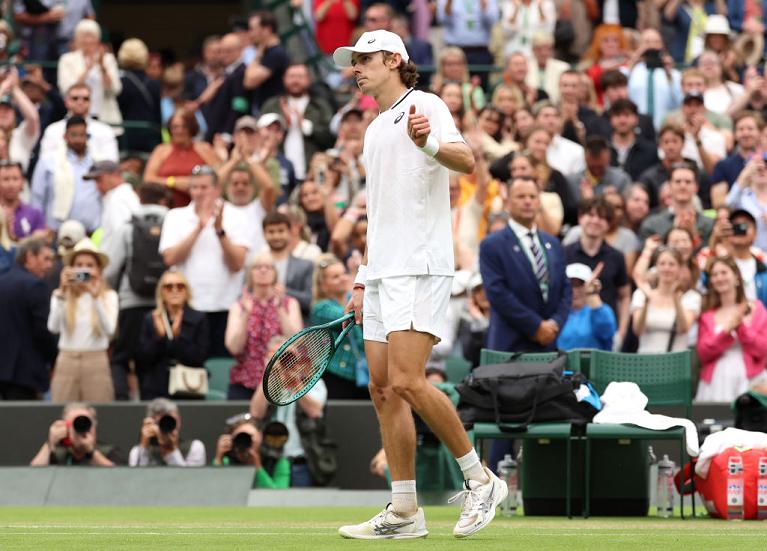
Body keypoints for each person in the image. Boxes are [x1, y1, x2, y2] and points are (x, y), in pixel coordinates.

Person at [332, 29, 505, 539]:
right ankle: (405, 510)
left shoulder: (424, 104)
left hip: (420, 266)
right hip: (383, 271)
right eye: (354, 62)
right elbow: (379, 213)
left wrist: (427, 139)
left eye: (364, 60)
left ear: (392, 59)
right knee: (383, 388)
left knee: (408, 380)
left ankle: (481, 480)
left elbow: (466, 160)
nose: (356, 69)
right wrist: (363, 278)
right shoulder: (372, 129)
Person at [159, 165, 250, 357]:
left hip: (225, 305)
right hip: (187, 306)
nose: (198, 192)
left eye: (204, 187)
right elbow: (170, 258)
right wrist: (199, 227)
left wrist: (219, 231)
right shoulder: (175, 216)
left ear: (217, 189)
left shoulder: (237, 216)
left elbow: (237, 264)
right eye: (194, 187)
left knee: (220, 368)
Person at [481, 176, 571, 352]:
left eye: (532, 196)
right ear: (507, 202)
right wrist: (536, 326)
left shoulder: (553, 243)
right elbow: (497, 293)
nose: (528, 202)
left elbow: (565, 290)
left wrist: (554, 324)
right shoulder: (492, 245)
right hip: (509, 347)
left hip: (548, 347)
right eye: (521, 197)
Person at [103, 184, 171, 400]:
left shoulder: (128, 226)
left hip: (131, 302)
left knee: (121, 358)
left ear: (140, 199)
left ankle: (123, 403)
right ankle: (154, 404)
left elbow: (111, 269)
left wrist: (115, 294)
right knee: (153, 357)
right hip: (164, 304)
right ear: (163, 201)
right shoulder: (173, 224)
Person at [250, 336, 330, 487]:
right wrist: (268, 376)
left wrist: (295, 382)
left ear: (298, 358)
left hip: (301, 462)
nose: (282, 361)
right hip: (271, 459)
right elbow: (256, 412)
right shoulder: (268, 387)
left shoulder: (314, 382)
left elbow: (315, 412)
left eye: (287, 356)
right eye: (276, 356)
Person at [48, 238, 118, 402]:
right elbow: (53, 328)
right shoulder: (60, 296)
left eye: (89, 265)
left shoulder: (108, 296)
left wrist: (95, 298)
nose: (84, 270)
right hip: (67, 359)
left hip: (96, 360)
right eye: (79, 265)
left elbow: (109, 331)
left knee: (99, 413)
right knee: (62, 411)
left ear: (99, 270)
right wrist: (62, 293)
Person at [225, 252, 302, 399]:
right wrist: (246, 314)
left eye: (268, 267)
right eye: (257, 267)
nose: (263, 270)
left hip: (282, 381)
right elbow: (234, 348)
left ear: (275, 273)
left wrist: (280, 309)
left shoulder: (289, 304)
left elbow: (297, 342)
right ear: (250, 273)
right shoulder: (239, 307)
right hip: (245, 381)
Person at [696, 256, 767, 402]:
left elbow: (762, 349)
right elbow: (703, 353)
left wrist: (740, 327)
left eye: (724, 272)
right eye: (715, 275)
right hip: (717, 380)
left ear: (736, 277)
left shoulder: (756, 308)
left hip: (751, 378)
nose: (719, 278)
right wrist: (725, 331)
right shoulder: (707, 315)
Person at [564, 197, 631, 346]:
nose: (595, 221)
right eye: (590, 215)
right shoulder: (565, 253)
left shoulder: (616, 256)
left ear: (608, 224)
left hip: (605, 331)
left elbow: (625, 296)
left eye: (601, 217)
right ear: (580, 218)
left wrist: (621, 331)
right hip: (569, 333)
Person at [136, 270, 210, 400]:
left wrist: (178, 339)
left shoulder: (199, 318)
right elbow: (143, 359)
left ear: (187, 291)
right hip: (156, 386)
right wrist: (159, 338)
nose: (175, 290)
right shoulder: (151, 318)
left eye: (180, 286)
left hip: (188, 386)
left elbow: (199, 356)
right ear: (161, 292)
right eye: (169, 287)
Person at [0, 236, 56, 400]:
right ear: (30, 257)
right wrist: (54, 360)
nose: (49, 265)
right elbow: (43, 331)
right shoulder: (35, 285)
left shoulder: (2, 281)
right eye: (46, 259)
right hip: (24, 374)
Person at [261, 64, 335, 182]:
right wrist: (283, 125)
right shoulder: (272, 105)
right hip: (278, 172)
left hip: (312, 174)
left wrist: (305, 125)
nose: (295, 80)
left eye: (300, 76)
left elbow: (330, 138)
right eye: (291, 76)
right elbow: (260, 137)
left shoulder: (320, 106)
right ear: (284, 79)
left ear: (308, 79)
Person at [311, 254, 368, 399]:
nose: (343, 278)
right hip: (334, 374)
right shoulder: (320, 308)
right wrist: (357, 282)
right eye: (335, 277)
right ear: (323, 285)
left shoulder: (351, 300)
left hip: (357, 373)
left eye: (344, 273)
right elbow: (347, 315)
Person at [31, 115, 101, 233]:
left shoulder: (98, 162)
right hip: (56, 231)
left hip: (92, 231)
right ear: (65, 136)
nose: (78, 139)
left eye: (82, 135)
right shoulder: (48, 161)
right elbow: (37, 198)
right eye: (74, 135)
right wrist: (40, 227)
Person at [144, 108, 220, 208]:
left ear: (191, 127)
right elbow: (148, 179)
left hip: (200, 206)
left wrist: (194, 184)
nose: (179, 131)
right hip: (166, 208)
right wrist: (173, 182)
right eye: (175, 127)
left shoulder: (204, 149)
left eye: (184, 126)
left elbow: (219, 176)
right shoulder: (161, 150)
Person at [631, 246, 701, 353]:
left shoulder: (691, 297)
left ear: (680, 268)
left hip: (675, 362)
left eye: (671, 264)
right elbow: (637, 329)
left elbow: (683, 328)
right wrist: (647, 301)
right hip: (645, 361)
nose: (666, 268)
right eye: (662, 264)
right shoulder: (642, 294)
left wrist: (676, 301)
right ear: (656, 267)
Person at [57, 20, 122, 129]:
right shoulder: (67, 59)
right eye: (83, 36)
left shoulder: (108, 59)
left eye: (91, 36)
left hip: (106, 118)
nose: (87, 41)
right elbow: (66, 89)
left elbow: (116, 90)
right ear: (77, 39)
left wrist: (102, 68)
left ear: (98, 39)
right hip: (76, 119)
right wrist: (87, 70)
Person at [39, 83, 118, 162]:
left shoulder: (105, 130)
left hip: (97, 173)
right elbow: (45, 161)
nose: (80, 102)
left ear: (91, 102)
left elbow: (111, 161)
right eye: (75, 98)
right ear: (66, 102)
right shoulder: (53, 130)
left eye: (85, 99)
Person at [640, 163, 715, 245]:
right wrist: (674, 231)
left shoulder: (709, 224)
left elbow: (710, 254)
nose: (683, 186)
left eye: (688, 182)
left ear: (696, 187)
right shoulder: (652, 224)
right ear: (669, 186)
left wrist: (694, 236)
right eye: (678, 181)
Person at [30, 402, 120, 467]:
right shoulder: (57, 454)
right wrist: (50, 443)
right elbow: (34, 476)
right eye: (75, 423)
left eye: (86, 423)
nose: (81, 428)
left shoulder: (108, 451)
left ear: (94, 427)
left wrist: (91, 453)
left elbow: (118, 477)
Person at [213, 413, 290, 488]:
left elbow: (279, 495)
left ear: (260, 437)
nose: (245, 441)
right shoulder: (226, 461)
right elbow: (214, 488)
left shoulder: (278, 461)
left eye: (250, 437)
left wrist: (258, 467)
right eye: (240, 437)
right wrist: (218, 458)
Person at [262, 211, 315, 318]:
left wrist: (285, 292)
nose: (276, 236)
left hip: (296, 328)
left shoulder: (306, 266)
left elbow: (310, 301)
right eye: (271, 232)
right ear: (264, 234)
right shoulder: (256, 265)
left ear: (290, 232)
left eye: (281, 231)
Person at [129, 398, 207, 467]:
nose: (165, 426)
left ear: (179, 421)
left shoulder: (194, 447)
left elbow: (191, 480)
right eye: (160, 422)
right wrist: (144, 448)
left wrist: (171, 451)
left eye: (170, 421)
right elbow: (134, 480)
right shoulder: (136, 452)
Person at [116, 38, 162, 153]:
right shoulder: (154, 83)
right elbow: (158, 115)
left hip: (126, 136)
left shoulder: (119, 83)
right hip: (150, 135)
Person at [557, 262, 616, 351]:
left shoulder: (601, 311)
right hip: (563, 364)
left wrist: (592, 295)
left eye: (580, 285)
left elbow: (607, 333)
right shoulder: (558, 312)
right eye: (570, 285)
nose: (574, 290)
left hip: (595, 364)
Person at [711, 111, 763, 209]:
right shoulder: (723, 165)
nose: (746, 133)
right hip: (736, 218)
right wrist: (742, 179)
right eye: (741, 129)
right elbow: (718, 203)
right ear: (735, 134)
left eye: (750, 129)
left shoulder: (764, 163)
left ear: (760, 132)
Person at [86, 161, 140, 250]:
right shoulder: (121, 195)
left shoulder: (117, 200)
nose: (97, 187)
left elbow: (121, 239)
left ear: (115, 175)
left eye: (99, 180)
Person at [244, 11, 290, 111]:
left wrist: (257, 56)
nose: (249, 34)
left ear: (267, 30)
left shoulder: (276, 54)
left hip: (274, 111)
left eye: (252, 29)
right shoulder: (266, 52)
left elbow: (249, 82)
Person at [567, 135, 631, 203]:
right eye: (592, 167)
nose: (596, 170)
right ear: (585, 158)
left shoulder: (621, 180)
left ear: (608, 158)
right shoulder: (572, 182)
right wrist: (586, 202)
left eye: (600, 167)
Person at [607, 98, 660, 180]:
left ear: (636, 119)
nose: (622, 120)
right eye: (617, 115)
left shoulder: (650, 150)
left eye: (627, 115)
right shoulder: (604, 148)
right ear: (611, 119)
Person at [726, 155, 767, 251]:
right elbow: (728, 205)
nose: (761, 169)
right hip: (748, 253)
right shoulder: (742, 196)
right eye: (756, 167)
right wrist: (744, 175)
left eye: (766, 166)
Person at [0, 161, 45, 241]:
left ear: (22, 182)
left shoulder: (35, 214)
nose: (11, 184)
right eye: (6, 179)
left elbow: (38, 245)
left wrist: (13, 238)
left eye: (15, 179)